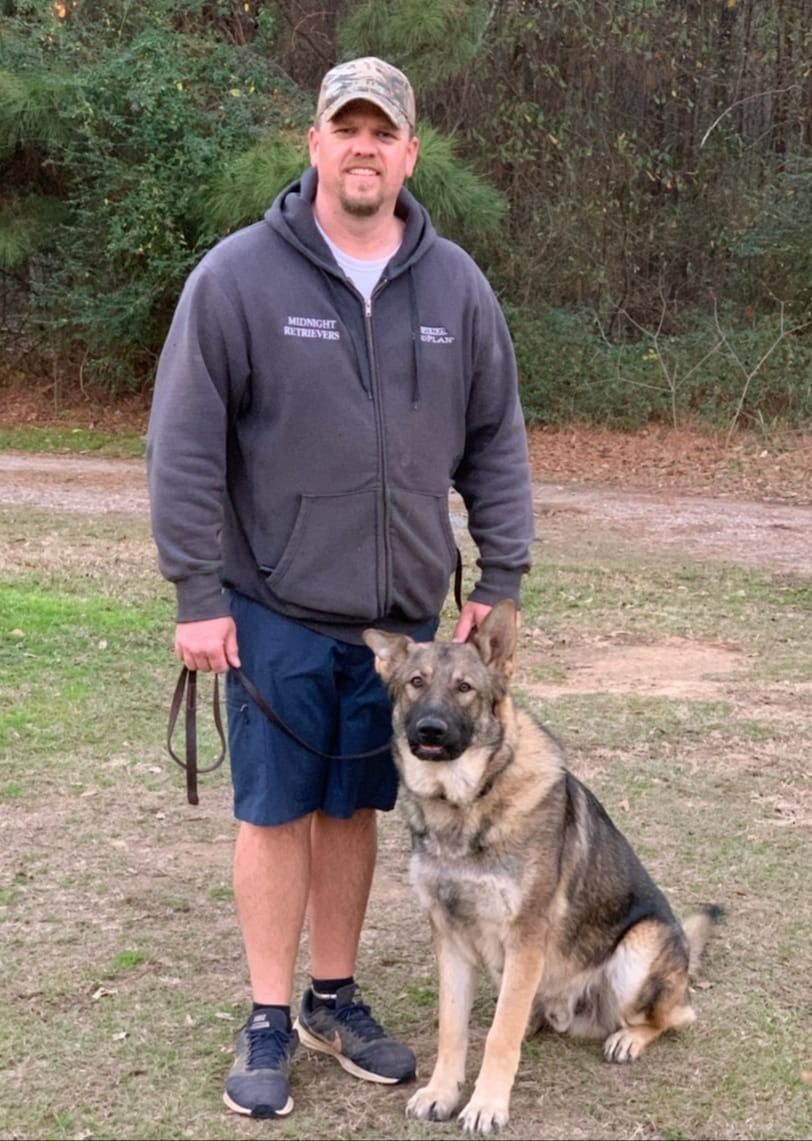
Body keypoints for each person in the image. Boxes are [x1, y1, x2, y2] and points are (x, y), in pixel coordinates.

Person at [146, 56, 534, 1120]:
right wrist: (195, 592)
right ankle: (269, 1014)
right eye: (344, 128)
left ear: (410, 153)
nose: (363, 147)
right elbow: (183, 444)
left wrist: (499, 573)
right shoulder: (236, 278)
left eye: (382, 131)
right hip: (268, 604)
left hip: (405, 630)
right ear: (314, 143)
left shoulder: (455, 286)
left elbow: (495, 439)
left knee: (354, 810)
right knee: (275, 813)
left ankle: (332, 994)